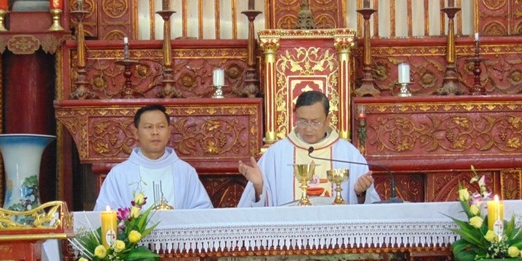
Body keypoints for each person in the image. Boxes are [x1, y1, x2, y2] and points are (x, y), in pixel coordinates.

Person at [238, 90, 381, 207]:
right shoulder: (277, 154)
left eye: (315, 122)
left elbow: (369, 207)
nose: (308, 128)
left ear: (328, 120)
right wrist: (258, 186)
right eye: (302, 121)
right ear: (295, 118)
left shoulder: (348, 154)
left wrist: (361, 192)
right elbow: (255, 210)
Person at [94, 104, 213, 210]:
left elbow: (202, 212)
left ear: (169, 131)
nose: (155, 132)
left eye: (161, 126)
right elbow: (104, 215)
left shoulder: (185, 172)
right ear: (136, 133)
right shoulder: (119, 174)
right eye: (148, 127)